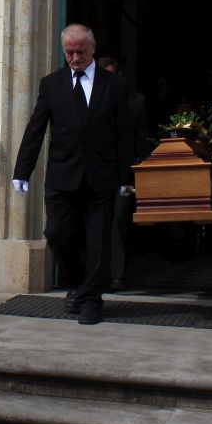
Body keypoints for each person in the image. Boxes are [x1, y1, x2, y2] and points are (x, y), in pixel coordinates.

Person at [12, 25, 133, 325]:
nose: (75, 58)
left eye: (80, 52)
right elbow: (36, 128)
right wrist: (22, 171)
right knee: (58, 233)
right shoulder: (51, 84)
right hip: (61, 176)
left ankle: (91, 300)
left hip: (100, 177)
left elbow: (124, 134)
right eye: (69, 53)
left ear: (93, 49)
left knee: (97, 242)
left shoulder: (114, 85)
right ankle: (80, 285)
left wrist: (125, 179)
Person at [96, 55, 149, 292]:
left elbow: (141, 139)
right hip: (93, 172)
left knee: (118, 221)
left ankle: (117, 275)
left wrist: (139, 173)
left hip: (122, 174)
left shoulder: (135, 101)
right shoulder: (87, 97)